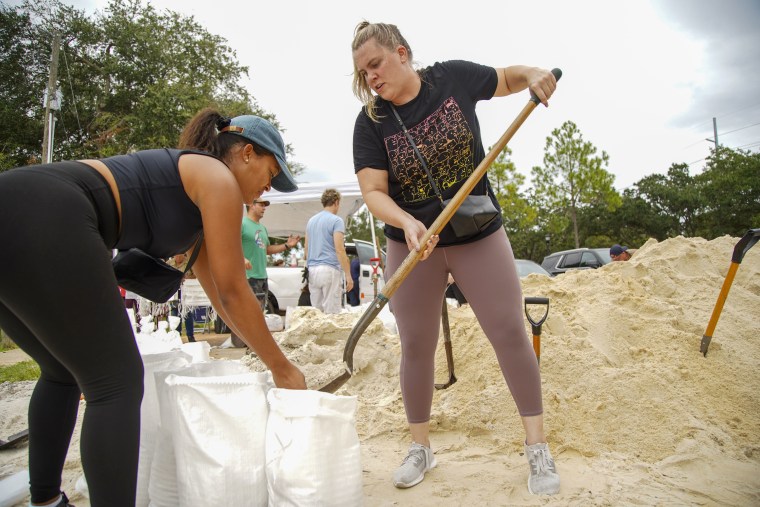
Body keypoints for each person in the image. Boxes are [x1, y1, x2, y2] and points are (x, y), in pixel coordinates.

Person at [0, 108, 307, 507]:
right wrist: (282, 368)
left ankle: (45, 500)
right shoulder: (218, 179)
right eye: (270, 174)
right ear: (247, 152)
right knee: (117, 382)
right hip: (50, 211)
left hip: (16, 201)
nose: (267, 188)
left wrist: (268, 357)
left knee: (62, 372)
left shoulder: (198, 191)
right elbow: (235, 291)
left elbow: (220, 297)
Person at [351, 21, 560, 495]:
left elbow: (506, 78)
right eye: (363, 73)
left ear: (401, 53)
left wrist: (533, 74)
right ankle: (421, 447)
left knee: (508, 332)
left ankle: (537, 448)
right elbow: (373, 191)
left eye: (376, 64)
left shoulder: (451, 79)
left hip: (475, 231)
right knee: (416, 344)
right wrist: (406, 222)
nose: (371, 78)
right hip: (413, 243)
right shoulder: (371, 122)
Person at [230, 199, 300, 347]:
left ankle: (253, 344)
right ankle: (243, 343)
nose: (264, 208)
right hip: (248, 276)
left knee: (259, 313)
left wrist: (287, 245)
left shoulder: (262, 228)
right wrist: (241, 259)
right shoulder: (241, 224)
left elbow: (267, 249)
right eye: (261, 204)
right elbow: (230, 243)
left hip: (262, 276)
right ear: (251, 205)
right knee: (248, 311)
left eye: (265, 205)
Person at [304, 189, 353, 313]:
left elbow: (306, 251)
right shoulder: (336, 221)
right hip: (329, 268)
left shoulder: (311, 221)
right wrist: (348, 275)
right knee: (332, 312)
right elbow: (340, 250)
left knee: (317, 312)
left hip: (312, 270)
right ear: (336, 202)